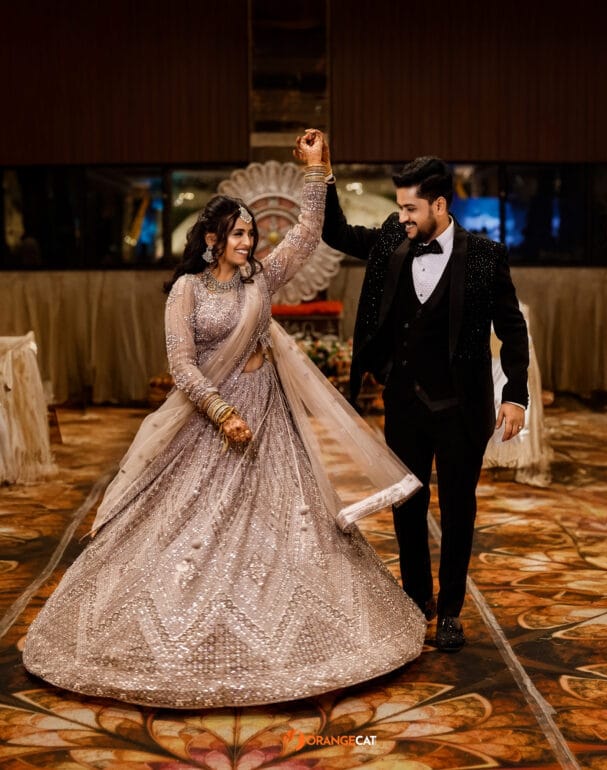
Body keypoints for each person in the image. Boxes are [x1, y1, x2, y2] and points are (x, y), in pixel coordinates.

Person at [22, 130, 426, 708]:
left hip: (271, 421)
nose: (249, 241)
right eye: (239, 234)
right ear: (212, 240)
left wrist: (320, 172)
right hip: (209, 423)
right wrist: (220, 411)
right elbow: (182, 364)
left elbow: (309, 235)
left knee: (290, 525)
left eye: (252, 234)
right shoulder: (186, 289)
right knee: (188, 527)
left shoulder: (262, 277)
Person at [322, 154, 529, 652]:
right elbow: (337, 234)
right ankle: (417, 601)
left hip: (462, 407)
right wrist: (322, 175)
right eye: (399, 208)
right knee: (407, 508)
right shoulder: (395, 240)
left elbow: (512, 327)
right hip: (405, 404)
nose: (402, 218)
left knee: (459, 510)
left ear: (439, 204)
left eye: (411, 208)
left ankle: (451, 610)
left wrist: (516, 395)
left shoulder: (485, 255)